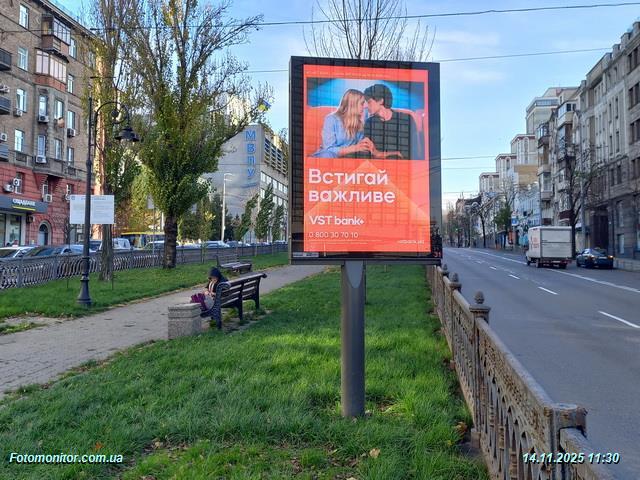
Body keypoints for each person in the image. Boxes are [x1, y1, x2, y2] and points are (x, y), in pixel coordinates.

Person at [360, 84, 422, 160]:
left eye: (369, 102)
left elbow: (411, 153)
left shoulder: (406, 119)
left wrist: (380, 154)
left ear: (380, 101)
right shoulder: (369, 123)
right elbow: (370, 152)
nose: (365, 106)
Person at [312, 89, 375, 158]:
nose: (365, 106)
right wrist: (354, 148)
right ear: (352, 104)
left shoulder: (359, 123)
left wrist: (366, 144)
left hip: (347, 158)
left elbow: (360, 146)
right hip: (328, 157)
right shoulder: (331, 119)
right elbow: (329, 149)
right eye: (362, 103)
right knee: (328, 154)